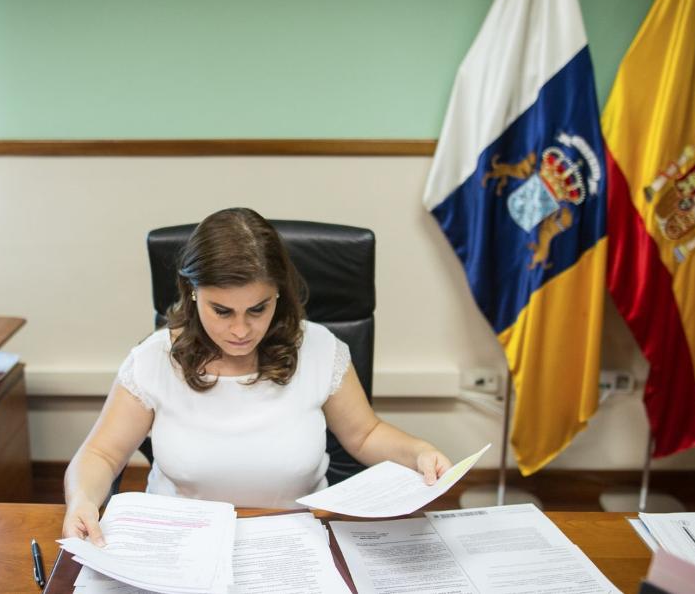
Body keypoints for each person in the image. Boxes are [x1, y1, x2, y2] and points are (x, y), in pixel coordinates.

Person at [62, 208, 453, 544]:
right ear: (193, 292)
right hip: (181, 544)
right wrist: (82, 499)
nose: (240, 330)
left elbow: (365, 434)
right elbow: (101, 454)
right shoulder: (154, 358)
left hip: (294, 539)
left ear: (278, 295)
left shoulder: (318, 348)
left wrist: (418, 452)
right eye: (222, 311)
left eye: (257, 309)